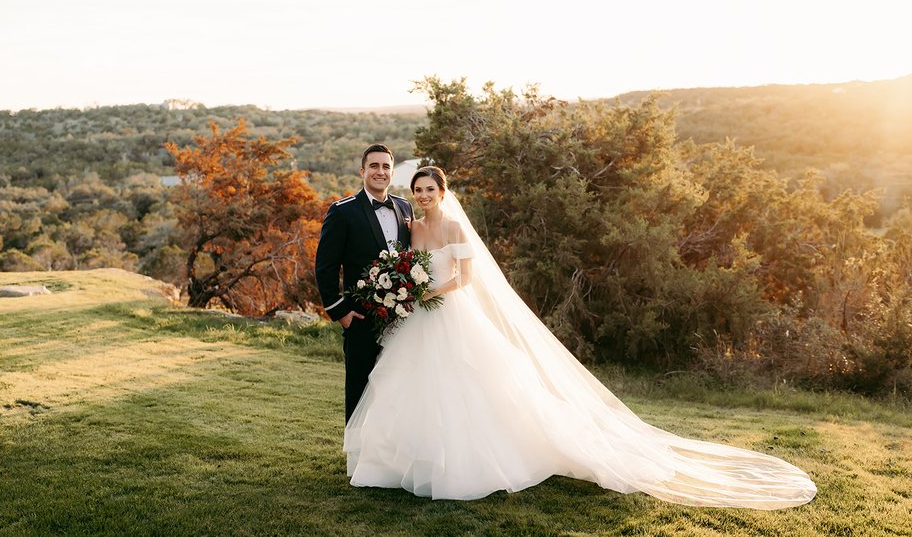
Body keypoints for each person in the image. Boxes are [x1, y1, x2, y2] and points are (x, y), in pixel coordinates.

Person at [343, 166, 817, 508]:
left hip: (448, 311)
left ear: (442, 191)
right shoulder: (413, 225)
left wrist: (430, 292)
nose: (423, 195)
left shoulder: (450, 224)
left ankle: (469, 461)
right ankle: (406, 463)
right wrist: (408, 288)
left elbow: (466, 278)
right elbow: (406, 264)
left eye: (430, 189)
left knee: (467, 384)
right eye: (418, 189)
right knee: (416, 386)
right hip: (420, 316)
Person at [315, 144, 414, 421]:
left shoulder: (405, 208)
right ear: (362, 171)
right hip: (360, 319)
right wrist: (341, 312)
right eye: (374, 166)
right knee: (360, 392)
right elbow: (325, 267)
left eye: (385, 167)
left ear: (392, 172)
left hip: (402, 322)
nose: (380, 172)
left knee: (396, 392)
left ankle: (389, 457)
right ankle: (357, 461)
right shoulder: (342, 211)